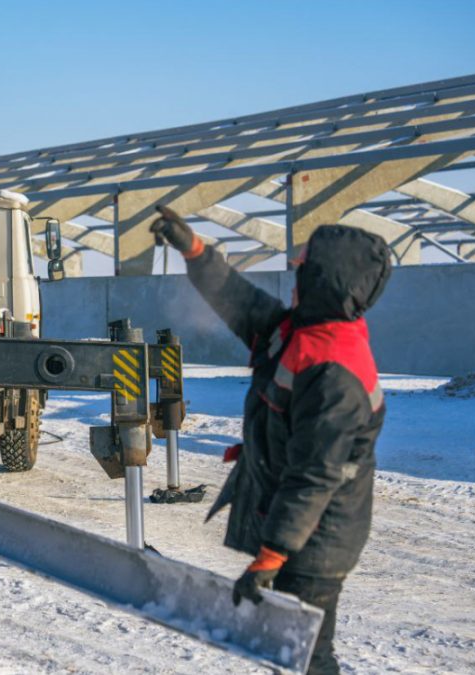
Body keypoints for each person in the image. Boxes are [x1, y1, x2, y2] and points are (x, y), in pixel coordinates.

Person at [150, 205, 391, 674]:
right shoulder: (296, 331)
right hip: (299, 527)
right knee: (295, 652)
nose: (294, 274)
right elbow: (239, 300)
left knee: (307, 655)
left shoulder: (335, 371)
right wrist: (196, 251)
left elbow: (315, 476)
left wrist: (273, 553)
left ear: (327, 280)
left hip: (319, 539)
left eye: (303, 268)